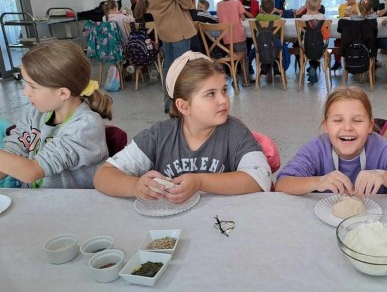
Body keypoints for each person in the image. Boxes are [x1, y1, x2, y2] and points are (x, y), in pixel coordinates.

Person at [94, 52, 271, 203]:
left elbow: (261, 178)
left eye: (224, 90)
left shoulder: (235, 132)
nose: (223, 100)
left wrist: (200, 182)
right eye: (211, 94)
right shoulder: (159, 136)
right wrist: (134, 186)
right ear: (184, 106)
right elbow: (103, 176)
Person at [275, 86, 387, 196]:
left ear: (370, 126)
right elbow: (282, 184)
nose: (347, 127)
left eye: (357, 120)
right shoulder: (316, 149)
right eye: (337, 120)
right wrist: (318, 182)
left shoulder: (382, 149)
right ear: (326, 126)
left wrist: (383, 176)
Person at [0, 41, 112, 189]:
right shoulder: (35, 115)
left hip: (72, 208)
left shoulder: (86, 126)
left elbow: (32, 171)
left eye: (32, 86)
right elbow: (11, 155)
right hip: (35, 203)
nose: (25, 92)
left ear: (63, 93)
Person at [143, 0, 196, 113]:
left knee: (169, 66)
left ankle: (169, 102)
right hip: (179, 29)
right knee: (181, 68)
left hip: (164, 28)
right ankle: (179, 105)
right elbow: (188, 2)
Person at [216, 0, 249, 83]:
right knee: (244, 58)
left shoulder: (219, 4)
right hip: (238, 36)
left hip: (226, 39)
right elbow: (243, 17)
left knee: (232, 59)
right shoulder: (237, 3)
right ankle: (246, 80)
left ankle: (234, 79)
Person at [301, 0, 330, 84]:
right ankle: (314, 67)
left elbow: (303, 22)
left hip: (306, 46)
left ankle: (311, 67)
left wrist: (307, 12)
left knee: (304, 40)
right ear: (319, 7)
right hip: (320, 46)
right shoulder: (322, 17)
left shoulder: (304, 18)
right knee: (320, 41)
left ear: (307, 6)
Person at [333, 0, 361, 71]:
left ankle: (355, 62)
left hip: (356, 32)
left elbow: (361, 17)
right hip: (345, 32)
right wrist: (347, 12)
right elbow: (341, 17)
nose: (352, 1)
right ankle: (337, 62)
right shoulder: (342, 7)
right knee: (337, 41)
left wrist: (355, 12)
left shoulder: (359, 5)